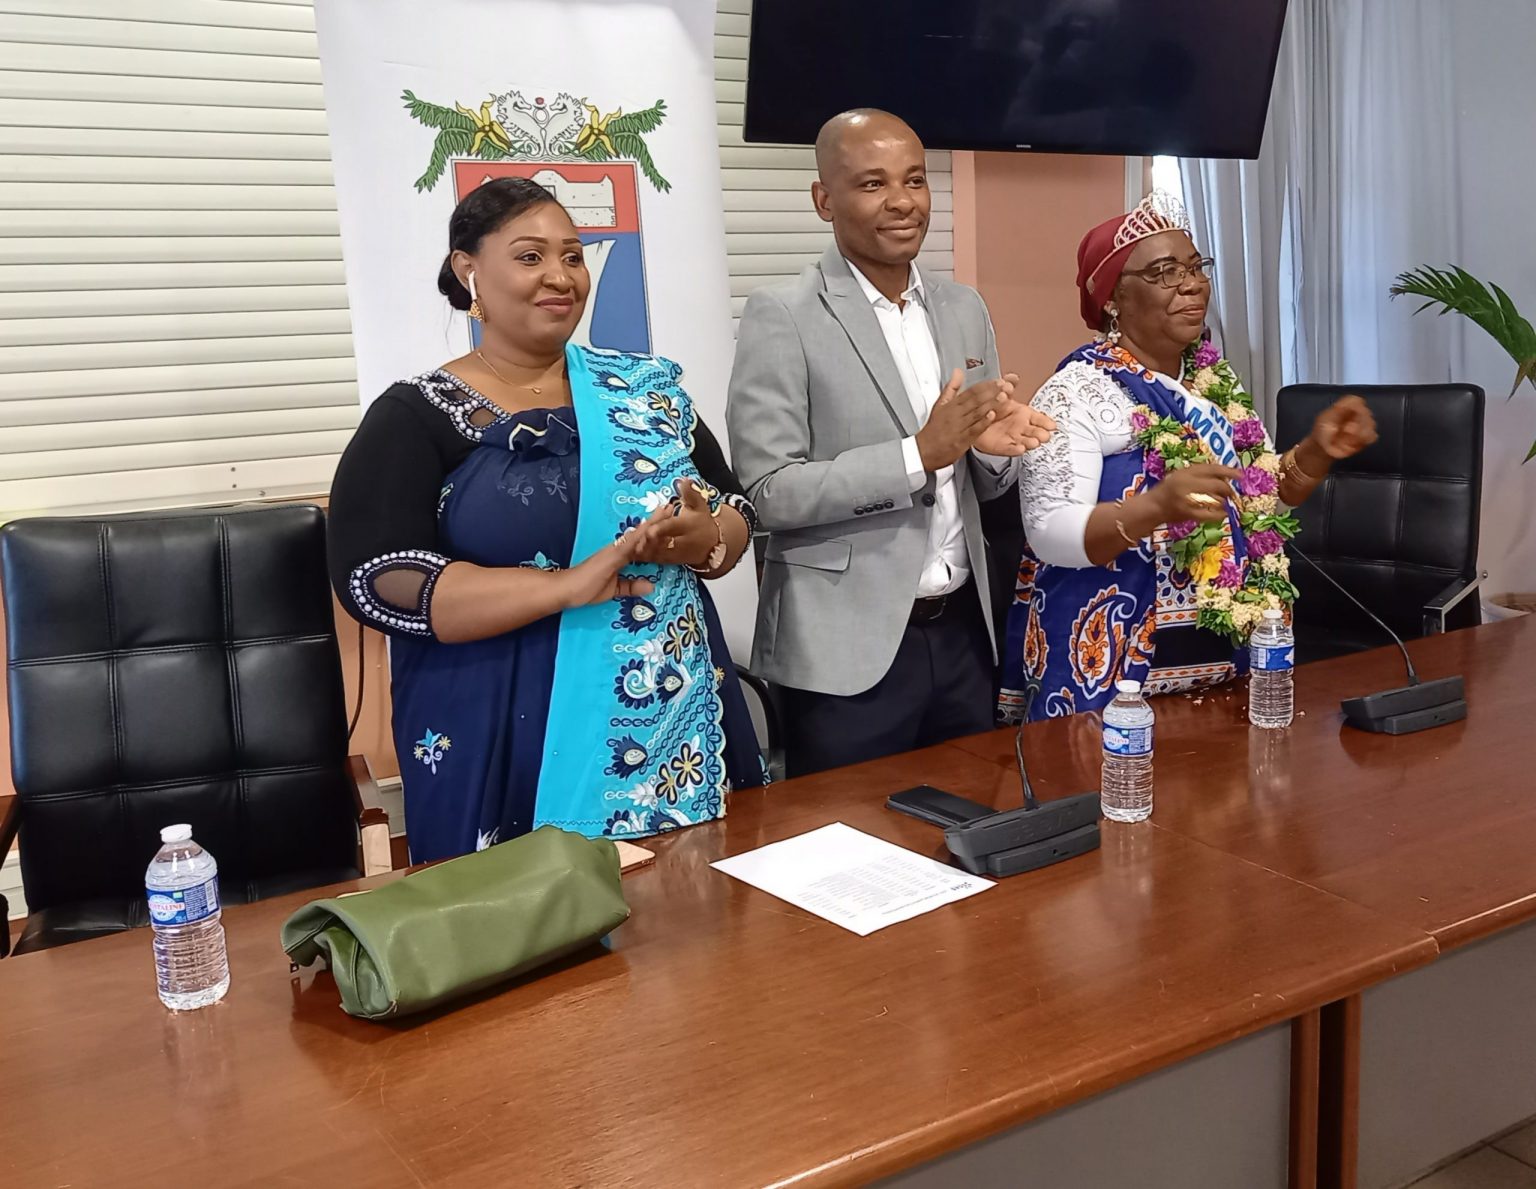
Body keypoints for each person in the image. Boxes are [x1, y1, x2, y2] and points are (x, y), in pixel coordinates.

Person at [328, 177, 766, 860]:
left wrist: (708, 537)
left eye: (572, 256)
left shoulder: (644, 389)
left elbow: (735, 506)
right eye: (530, 257)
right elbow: (377, 578)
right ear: (468, 269)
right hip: (505, 725)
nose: (561, 277)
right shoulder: (416, 414)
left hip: (672, 716)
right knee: (535, 914)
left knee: (699, 902)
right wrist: (563, 587)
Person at [726, 109, 1055, 776]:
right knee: (850, 837)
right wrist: (917, 455)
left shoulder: (964, 307)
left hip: (964, 635)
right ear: (824, 200)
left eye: (915, 179)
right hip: (844, 651)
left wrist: (990, 449)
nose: (903, 201)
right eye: (873, 184)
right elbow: (768, 492)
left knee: (973, 823)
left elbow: (978, 472)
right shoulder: (782, 314)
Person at [999, 192, 1378, 721]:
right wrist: (1155, 507)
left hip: (1218, 663)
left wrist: (1316, 452)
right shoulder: (1075, 393)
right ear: (1113, 298)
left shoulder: (1211, 384)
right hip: (1107, 672)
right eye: (1164, 272)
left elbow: (1259, 500)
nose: (1192, 284)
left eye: (1196, 267)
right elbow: (1050, 534)